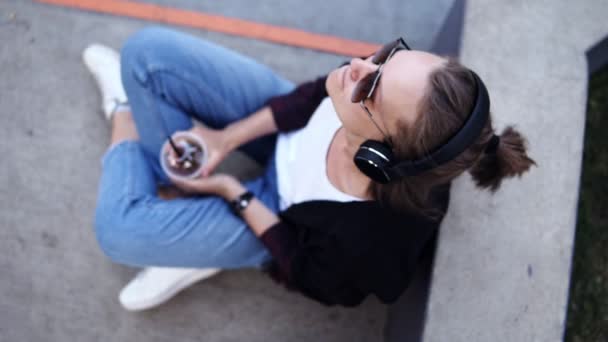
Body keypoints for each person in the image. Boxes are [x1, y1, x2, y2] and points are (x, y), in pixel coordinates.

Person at [84, 26, 535, 311]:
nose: (359, 65)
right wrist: (227, 139)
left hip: (277, 214)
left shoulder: (370, 241)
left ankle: (122, 114)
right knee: (146, 54)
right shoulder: (357, 83)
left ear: (379, 154)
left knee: (117, 230)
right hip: (281, 138)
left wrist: (231, 192)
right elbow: (307, 98)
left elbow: (306, 271)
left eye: (374, 86)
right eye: (389, 55)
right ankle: (188, 231)